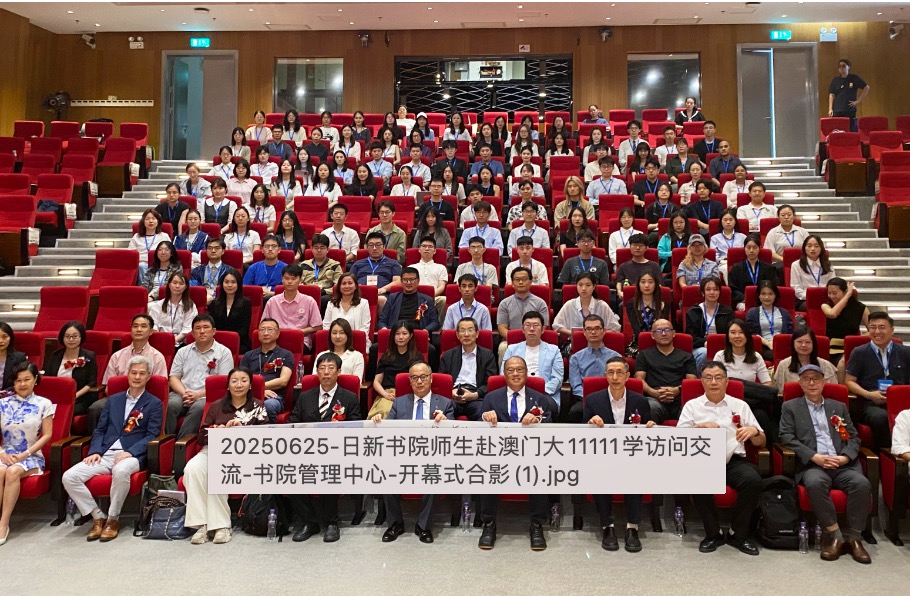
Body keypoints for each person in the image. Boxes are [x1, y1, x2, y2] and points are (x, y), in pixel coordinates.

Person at [62, 355, 162, 543]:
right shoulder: (114, 400)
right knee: (69, 477)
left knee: (121, 470)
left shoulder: (154, 403)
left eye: (142, 373)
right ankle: (97, 516)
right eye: (134, 373)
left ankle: (113, 519)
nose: (137, 377)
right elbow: (100, 430)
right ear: (127, 374)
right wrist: (95, 451)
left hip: (132, 455)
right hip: (105, 453)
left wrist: (130, 452)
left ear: (149, 376)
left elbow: (152, 435)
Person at [779, 364, 872, 564]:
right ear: (800, 383)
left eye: (816, 378)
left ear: (823, 382)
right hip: (814, 464)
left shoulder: (838, 407)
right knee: (815, 483)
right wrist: (814, 457)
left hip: (842, 464)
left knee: (861, 484)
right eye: (806, 379)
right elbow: (786, 436)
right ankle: (835, 536)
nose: (811, 383)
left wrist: (845, 457)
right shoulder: (791, 407)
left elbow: (853, 437)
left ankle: (855, 538)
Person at [679, 361, 765, 556]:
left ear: (726, 381)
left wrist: (753, 431)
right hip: (704, 460)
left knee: (753, 481)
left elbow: (761, 441)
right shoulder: (692, 406)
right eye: (708, 378)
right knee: (697, 481)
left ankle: (738, 534)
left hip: (734, 461)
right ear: (702, 381)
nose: (713, 382)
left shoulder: (740, 405)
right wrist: (699, 428)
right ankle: (713, 534)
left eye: (718, 378)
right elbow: (679, 439)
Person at [479, 356, 556, 551]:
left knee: (539, 470)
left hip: (531, 452)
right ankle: (489, 524)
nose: (515, 374)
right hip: (499, 452)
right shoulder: (491, 398)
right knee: (488, 469)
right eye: (510, 370)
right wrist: (485, 417)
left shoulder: (539, 398)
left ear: (527, 373)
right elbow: (480, 430)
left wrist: (538, 421)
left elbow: (549, 426)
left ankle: (537, 525)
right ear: (504, 374)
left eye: (519, 370)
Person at [373, 361, 453, 544]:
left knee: (434, 473)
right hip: (403, 454)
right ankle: (395, 524)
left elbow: (453, 435)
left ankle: (423, 526)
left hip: (432, 454)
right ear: (409, 381)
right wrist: (379, 422)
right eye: (414, 378)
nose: (419, 381)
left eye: (423, 377)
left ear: (431, 379)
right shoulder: (399, 403)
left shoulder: (445, 403)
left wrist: (446, 422)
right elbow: (388, 431)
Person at [186, 367, 268, 545]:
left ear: (250, 385)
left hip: (244, 454)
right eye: (234, 381)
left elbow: (265, 437)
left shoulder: (258, 406)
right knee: (192, 468)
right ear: (228, 385)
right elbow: (201, 436)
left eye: (244, 380)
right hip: (213, 449)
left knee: (218, 468)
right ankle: (201, 525)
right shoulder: (216, 406)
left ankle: (221, 525)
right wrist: (219, 431)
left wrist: (242, 430)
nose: (239, 385)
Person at [286, 352, 360, 544]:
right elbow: (293, 423)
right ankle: (308, 521)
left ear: (339, 371)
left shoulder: (349, 398)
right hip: (306, 449)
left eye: (331, 368)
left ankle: (331, 522)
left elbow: (355, 427)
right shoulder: (305, 397)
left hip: (337, 450)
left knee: (329, 467)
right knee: (288, 470)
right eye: (322, 368)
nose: (326, 372)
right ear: (317, 372)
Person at [585, 357, 654, 552]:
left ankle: (632, 527)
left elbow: (646, 433)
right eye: (610, 373)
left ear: (627, 376)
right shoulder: (593, 400)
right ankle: (607, 526)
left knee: (635, 471)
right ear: (605, 375)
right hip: (602, 454)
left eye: (619, 373)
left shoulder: (640, 401)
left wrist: (650, 428)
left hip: (631, 455)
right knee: (598, 471)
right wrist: (591, 423)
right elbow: (582, 432)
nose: (615, 377)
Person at [0, 362, 55, 544]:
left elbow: (47, 435)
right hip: (5, 454)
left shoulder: (44, 404)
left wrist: (25, 454)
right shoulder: (2, 403)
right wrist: (1, 453)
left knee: (13, 471)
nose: (22, 384)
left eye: (26, 379)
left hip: (31, 455)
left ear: (35, 379)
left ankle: (4, 523)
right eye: (18, 380)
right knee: (1, 470)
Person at [90, 314, 168, 431]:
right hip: (117, 399)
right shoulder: (117, 356)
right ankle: (96, 439)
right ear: (131, 330)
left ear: (151, 331)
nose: (139, 329)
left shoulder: (157, 357)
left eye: (143, 326)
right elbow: (108, 388)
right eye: (135, 326)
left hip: (144, 400)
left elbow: (159, 389)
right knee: (95, 408)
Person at [846, 312, 910, 450]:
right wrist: (869, 395)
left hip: (900, 402)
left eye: (882, 327)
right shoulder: (859, 352)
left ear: (892, 330)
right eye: (873, 327)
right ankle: (889, 454)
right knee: (881, 418)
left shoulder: (906, 352)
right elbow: (849, 381)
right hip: (869, 402)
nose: (877, 332)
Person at [713, 318, 780, 443]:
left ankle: (767, 449)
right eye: (733, 332)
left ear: (747, 336)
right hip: (727, 401)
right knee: (730, 383)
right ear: (728, 337)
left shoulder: (756, 357)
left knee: (762, 414)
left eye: (741, 332)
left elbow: (767, 384)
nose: (737, 336)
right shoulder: (720, 356)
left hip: (750, 403)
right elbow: (716, 380)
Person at [167, 314, 234, 437]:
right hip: (182, 393)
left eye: (206, 327)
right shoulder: (182, 351)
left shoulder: (224, 352)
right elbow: (174, 378)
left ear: (214, 331)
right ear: (192, 333)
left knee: (199, 408)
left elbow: (223, 383)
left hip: (207, 396)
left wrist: (197, 395)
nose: (202, 331)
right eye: (197, 328)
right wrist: (185, 393)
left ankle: (182, 444)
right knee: (171, 404)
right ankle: (165, 441)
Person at [635, 320, 697, 423]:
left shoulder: (687, 356)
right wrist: (653, 393)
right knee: (651, 406)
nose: (663, 334)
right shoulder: (643, 355)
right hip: (654, 398)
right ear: (652, 335)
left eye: (667, 330)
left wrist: (677, 390)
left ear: (673, 333)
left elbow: (692, 380)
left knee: (691, 407)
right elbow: (639, 379)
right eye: (659, 331)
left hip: (680, 398)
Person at [439, 317, 498, 421]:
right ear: (457, 335)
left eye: (470, 330)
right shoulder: (447, 355)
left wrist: (475, 395)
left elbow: (490, 382)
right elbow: (442, 381)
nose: (466, 334)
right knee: (441, 414)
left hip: (476, 396)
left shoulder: (487, 355)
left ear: (477, 333)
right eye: (462, 331)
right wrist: (451, 392)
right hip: (453, 396)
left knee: (486, 417)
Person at [501, 312, 564, 409]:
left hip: (545, 394)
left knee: (545, 406)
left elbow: (557, 379)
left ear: (542, 329)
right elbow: (504, 374)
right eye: (528, 325)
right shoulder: (511, 349)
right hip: (516, 391)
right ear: (523, 329)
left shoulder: (554, 350)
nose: (531, 329)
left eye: (536, 325)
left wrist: (539, 392)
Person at [238, 318, 293, 422]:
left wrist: (259, 388)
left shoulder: (286, 354)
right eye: (262, 329)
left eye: (270, 329)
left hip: (273, 396)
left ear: (277, 333)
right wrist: (258, 391)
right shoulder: (248, 355)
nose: (265, 333)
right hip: (248, 395)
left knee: (268, 406)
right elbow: (240, 379)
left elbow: (283, 381)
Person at [261, 264, 323, 352]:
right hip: (276, 340)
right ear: (282, 279)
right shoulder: (272, 301)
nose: (289, 281)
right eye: (286, 278)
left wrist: (299, 332)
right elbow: (263, 324)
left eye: (293, 279)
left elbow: (318, 326)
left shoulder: (309, 301)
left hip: (300, 340)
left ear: (300, 280)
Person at [42, 321, 98, 416]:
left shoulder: (89, 356)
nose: (71, 339)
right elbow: (48, 377)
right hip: (56, 396)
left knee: (66, 412)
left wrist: (74, 396)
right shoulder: (55, 355)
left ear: (81, 337)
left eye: (75, 336)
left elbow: (91, 382)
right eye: (67, 336)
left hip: (80, 397)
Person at [371, 322, 425, 419]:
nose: (401, 337)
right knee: (383, 412)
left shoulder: (417, 357)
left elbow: (421, 380)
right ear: (393, 336)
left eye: (404, 334)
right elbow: (376, 381)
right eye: (397, 334)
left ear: (410, 336)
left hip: (410, 394)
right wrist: (385, 394)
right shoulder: (386, 356)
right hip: (389, 394)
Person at [568, 315, 622, 413]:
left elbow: (619, 382)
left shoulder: (616, 357)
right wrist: (591, 399)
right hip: (585, 399)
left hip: (611, 398)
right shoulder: (576, 358)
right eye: (589, 329)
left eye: (597, 328)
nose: (593, 332)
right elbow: (576, 386)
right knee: (575, 411)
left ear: (604, 331)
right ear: (584, 332)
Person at [687, 276, 735, 372]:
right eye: (708, 289)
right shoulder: (694, 311)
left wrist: (717, 343)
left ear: (719, 292)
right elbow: (691, 337)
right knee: (704, 353)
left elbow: (731, 333)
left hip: (722, 345)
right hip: (701, 347)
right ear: (702, 293)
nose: (712, 292)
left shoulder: (727, 311)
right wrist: (705, 343)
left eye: (715, 289)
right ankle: (700, 377)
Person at [773, 328, 839, 396]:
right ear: (793, 343)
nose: (803, 345)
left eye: (808, 342)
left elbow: (833, 393)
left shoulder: (826, 365)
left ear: (813, 344)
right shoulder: (783, 365)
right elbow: (780, 394)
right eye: (799, 342)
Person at [553, 273, 620, 338]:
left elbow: (615, 328)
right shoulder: (569, 305)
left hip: (597, 342)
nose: (584, 288)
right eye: (580, 285)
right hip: (574, 342)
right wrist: (573, 333)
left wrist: (598, 334)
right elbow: (556, 326)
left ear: (594, 287)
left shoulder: (602, 306)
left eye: (588, 285)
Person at [823, 278, 870, 368]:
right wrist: (848, 295)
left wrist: (854, 340)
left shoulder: (860, 307)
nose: (831, 296)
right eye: (829, 293)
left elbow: (872, 330)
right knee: (842, 363)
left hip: (853, 346)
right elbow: (833, 314)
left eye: (835, 293)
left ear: (844, 292)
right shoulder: (826, 305)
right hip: (833, 348)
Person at [377, 266, 440, 333]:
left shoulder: (427, 300)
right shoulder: (392, 298)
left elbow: (435, 322)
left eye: (412, 279)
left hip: (418, 333)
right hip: (397, 334)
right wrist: (384, 329)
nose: (408, 282)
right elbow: (382, 321)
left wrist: (425, 331)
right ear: (401, 281)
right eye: (405, 280)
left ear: (418, 281)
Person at [349, 232, 403, 310]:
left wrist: (384, 289)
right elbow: (350, 280)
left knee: (381, 300)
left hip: (382, 293)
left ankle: (382, 318)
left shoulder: (393, 263)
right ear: (366, 247)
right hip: (360, 293)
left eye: (378, 245)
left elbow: (398, 281)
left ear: (384, 246)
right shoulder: (358, 263)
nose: (374, 248)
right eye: (371, 245)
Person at [206, 267, 252, 355]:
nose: (229, 285)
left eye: (233, 282)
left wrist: (229, 340)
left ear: (238, 284)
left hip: (239, 343)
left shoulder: (246, 303)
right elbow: (212, 326)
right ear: (222, 284)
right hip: (218, 342)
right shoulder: (215, 303)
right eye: (226, 282)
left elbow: (244, 329)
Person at [323, 274, 372, 352]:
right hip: (335, 344)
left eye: (350, 283)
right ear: (339, 287)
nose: (346, 286)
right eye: (343, 283)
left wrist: (347, 341)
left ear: (355, 286)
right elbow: (326, 326)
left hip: (356, 343)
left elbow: (365, 328)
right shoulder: (331, 304)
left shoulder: (363, 303)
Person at [746, 280, 793, 361]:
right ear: (759, 295)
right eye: (763, 294)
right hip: (762, 347)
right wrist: (768, 344)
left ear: (775, 295)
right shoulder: (752, 313)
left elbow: (790, 333)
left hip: (782, 346)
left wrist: (779, 344)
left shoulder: (784, 313)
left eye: (770, 294)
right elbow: (752, 334)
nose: (767, 297)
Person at [147, 272, 197, 346]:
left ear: (185, 287)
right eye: (174, 283)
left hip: (181, 343)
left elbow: (187, 329)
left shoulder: (190, 306)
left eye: (181, 284)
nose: (177, 286)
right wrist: (162, 340)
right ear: (169, 285)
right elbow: (153, 326)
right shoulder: (158, 305)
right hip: (160, 342)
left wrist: (173, 340)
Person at [727, 234, 776, 310]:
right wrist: (746, 298)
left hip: (765, 300)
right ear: (744, 248)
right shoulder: (736, 268)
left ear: (759, 248)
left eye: (755, 247)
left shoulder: (768, 268)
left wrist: (763, 297)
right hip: (743, 301)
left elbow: (773, 286)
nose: (751, 250)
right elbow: (732, 289)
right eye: (748, 247)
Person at [624, 273, 669, 353]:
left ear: (656, 284)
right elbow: (636, 330)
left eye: (650, 282)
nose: (647, 285)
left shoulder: (664, 304)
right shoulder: (631, 304)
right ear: (638, 284)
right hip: (639, 343)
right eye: (643, 282)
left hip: (659, 341)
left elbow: (663, 328)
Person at [791, 234, 836, 311]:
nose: (812, 249)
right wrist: (811, 297)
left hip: (825, 298)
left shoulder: (827, 264)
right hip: (805, 300)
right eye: (809, 246)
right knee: (818, 305)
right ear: (804, 248)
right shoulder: (796, 265)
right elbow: (796, 288)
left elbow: (833, 284)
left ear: (821, 248)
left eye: (816, 246)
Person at [411, 235, 449, 319]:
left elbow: (441, 287)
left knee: (444, 300)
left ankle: (439, 325)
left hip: (434, 297)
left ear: (434, 251)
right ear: (419, 249)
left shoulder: (441, 267)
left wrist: (429, 297)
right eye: (424, 246)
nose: (427, 249)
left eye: (430, 247)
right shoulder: (411, 267)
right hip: (415, 297)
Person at [300, 234, 344, 305]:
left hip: (325, 294)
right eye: (316, 247)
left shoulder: (334, 265)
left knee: (325, 300)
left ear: (327, 250)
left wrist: (324, 291)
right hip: (306, 292)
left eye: (322, 247)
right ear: (312, 249)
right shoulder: (304, 265)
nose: (319, 250)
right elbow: (297, 282)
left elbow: (338, 286)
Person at [828, 58, 870, 131]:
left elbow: (866, 87)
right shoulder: (835, 80)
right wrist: (830, 109)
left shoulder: (854, 78)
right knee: (838, 130)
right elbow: (831, 95)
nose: (841, 68)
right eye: (839, 66)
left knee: (850, 131)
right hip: (837, 110)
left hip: (849, 109)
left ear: (848, 67)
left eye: (843, 66)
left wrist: (858, 101)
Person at [129, 208, 171, 283]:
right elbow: (130, 256)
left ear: (158, 221)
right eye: (147, 219)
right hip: (141, 265)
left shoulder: (164, 236)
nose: (151, 221)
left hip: (159, 263)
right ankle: (145, 288)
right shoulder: (136, 237)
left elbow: (170, 253)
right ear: (143, 222)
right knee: (142, 266)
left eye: (153, 218)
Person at [710, 209, 747, 281]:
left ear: (735, 221)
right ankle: (731, 287)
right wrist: (722, 260)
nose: (728, 222)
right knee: (726, 268)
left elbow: (746, 252)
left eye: (731, 219)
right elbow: (714, 255)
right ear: (721, 221)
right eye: (725, 220)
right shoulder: (715, 238)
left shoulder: (743, 237)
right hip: (723, 263)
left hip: (740, 263)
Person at [644, 181, 680, 246]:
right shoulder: (651, 207)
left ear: (670, 193)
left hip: (671, 231)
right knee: (653, 236)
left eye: (666, 190)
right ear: (657, 192)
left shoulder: (674, 208)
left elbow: (678, 223)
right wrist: (657, 225)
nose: (664, 192)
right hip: (655, 232)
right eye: (661, 190)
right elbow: (646, 226)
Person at [0, 323, 26, 392]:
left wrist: (4, 392)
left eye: (4, 337)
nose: (1, 341)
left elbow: (21, 381)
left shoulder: (19, 358)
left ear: (10, 338)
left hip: (9, 395)